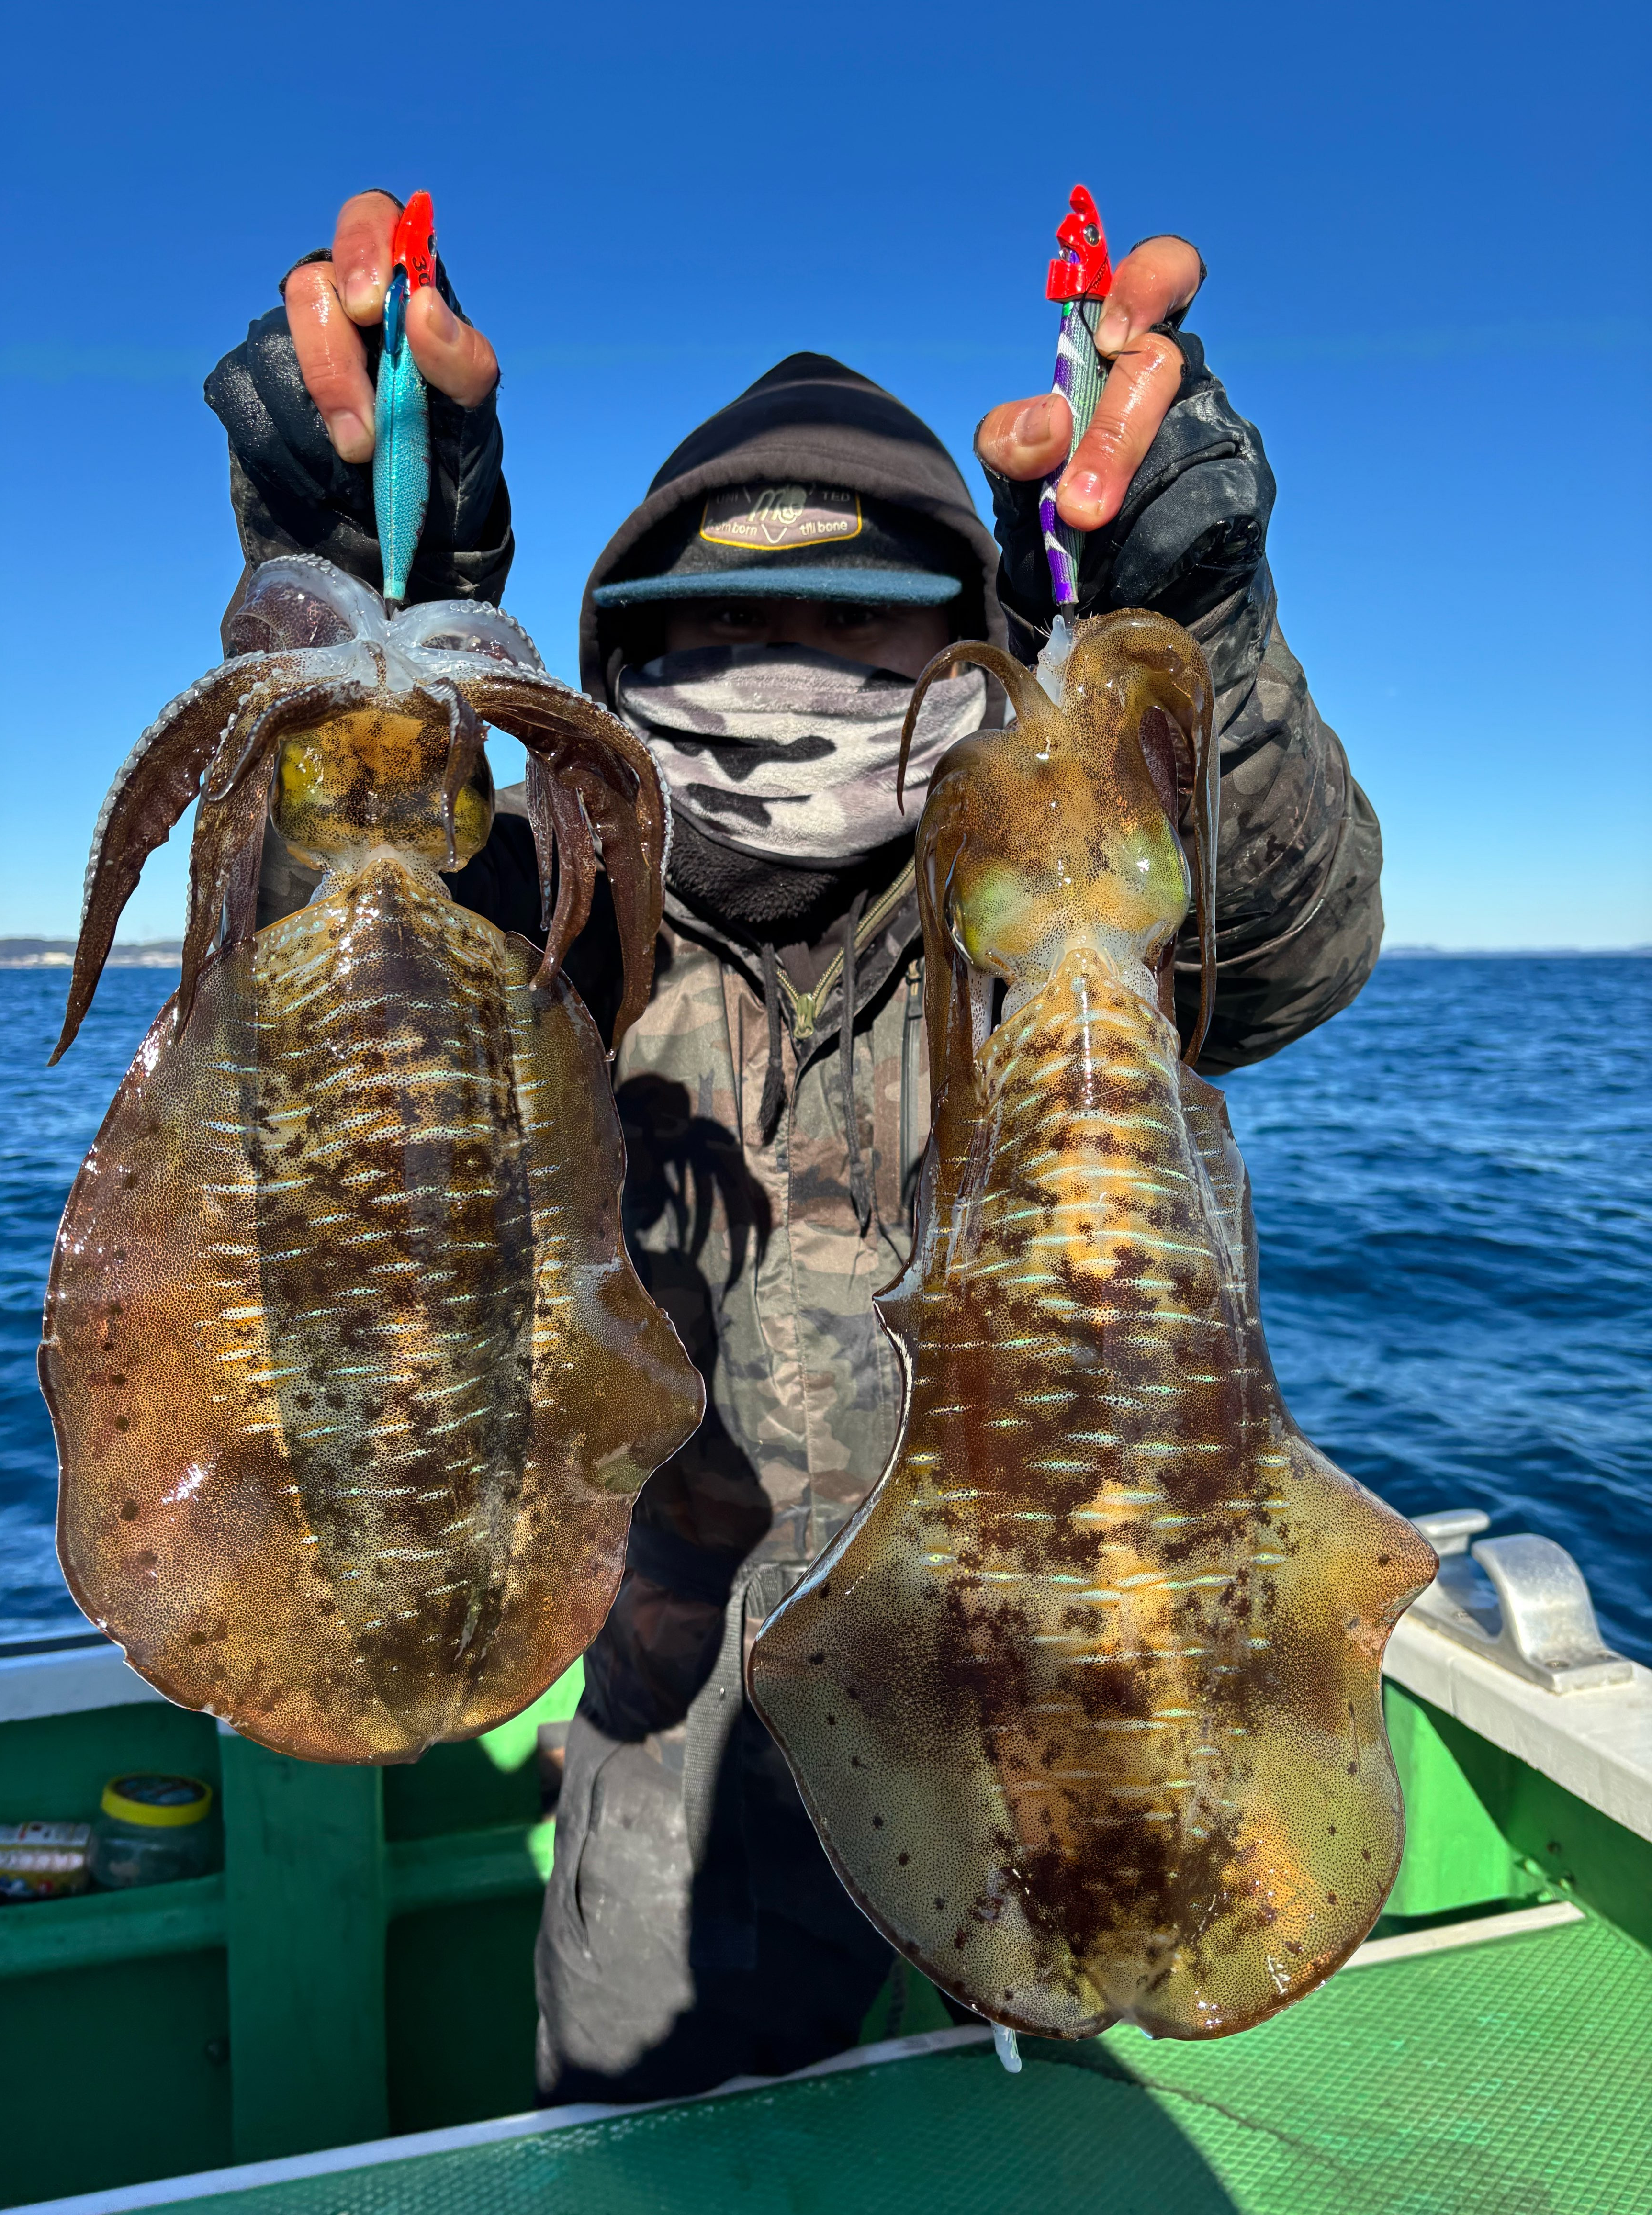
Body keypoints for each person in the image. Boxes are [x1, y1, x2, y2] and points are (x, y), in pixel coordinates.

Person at [205, 190, 1382, 2103]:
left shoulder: (1056, 914)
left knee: (1059, 2132)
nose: (783, 669)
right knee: (666, 2142)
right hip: (685, 1764)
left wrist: (1199, 631)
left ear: (959, 648)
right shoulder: (552, 920)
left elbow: (1286, 939)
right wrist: (364, 580)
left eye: (857, 624)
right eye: (716, 626)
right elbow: (326, 1009)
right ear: (624, 659)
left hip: (1065, 1705)